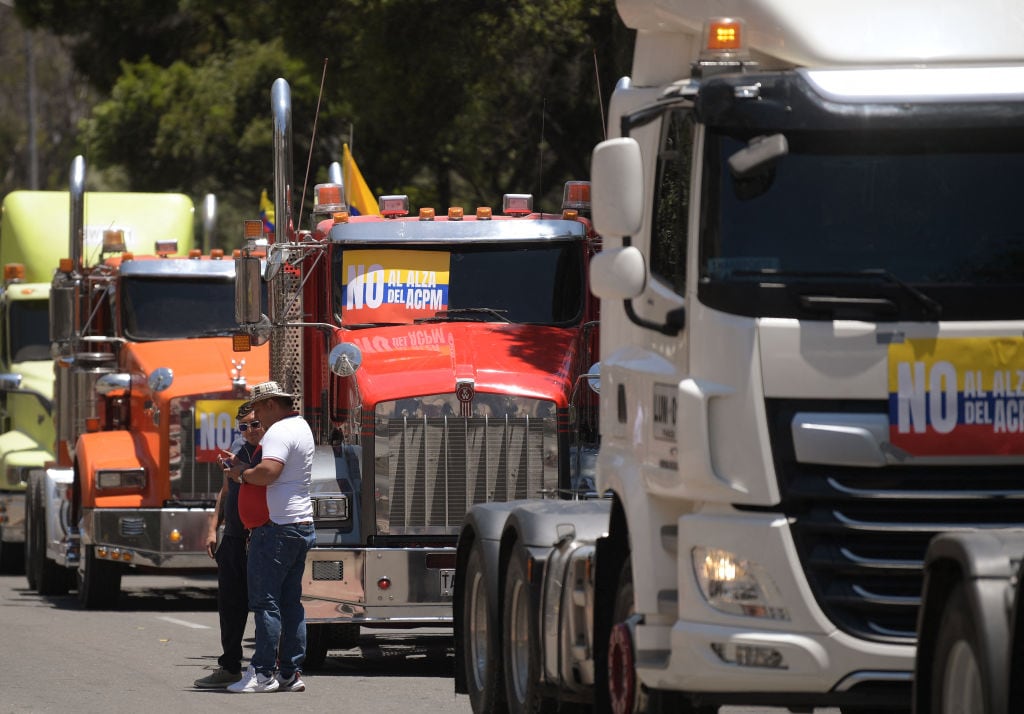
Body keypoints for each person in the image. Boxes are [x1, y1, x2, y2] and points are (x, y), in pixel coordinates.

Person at [224, 381, 316, 694]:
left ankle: (263, 673)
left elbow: (268, 473)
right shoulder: (301, 426)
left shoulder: (277, 431)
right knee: (291, 603)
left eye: (260, 408)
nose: (258, 415)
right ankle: (290, 672)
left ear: (272, 404)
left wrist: (241, 474)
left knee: (266, 603)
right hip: (299, 522)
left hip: (275, 526)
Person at [193, 403, 263, 689]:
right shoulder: (238, 445)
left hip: (258, 537)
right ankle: (230, 666)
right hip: (232, 538)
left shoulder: (271, 449)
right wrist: (213, 529)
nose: (248, 431)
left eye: (254, 424)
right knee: (230, 606)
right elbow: (225, 489)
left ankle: (265, 669)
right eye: (243, 426)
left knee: (263, 605)